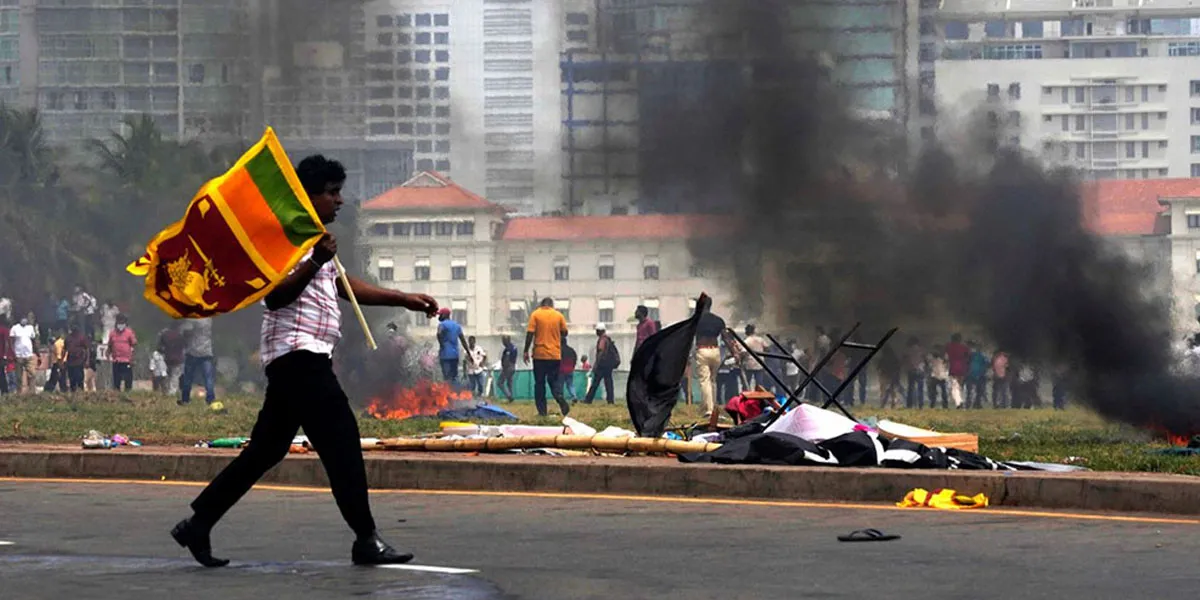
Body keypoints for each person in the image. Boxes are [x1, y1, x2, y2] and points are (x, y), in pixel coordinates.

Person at [172, 154, 439, 568]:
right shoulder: (283, 239)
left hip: (300, 359)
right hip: (299, 357)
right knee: (342, 443)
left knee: (266, 451)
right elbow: (275, 296)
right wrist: (315, 258)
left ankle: (198, 523)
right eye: (332, 193)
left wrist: (403, 299)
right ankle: (366, 539)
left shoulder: (314, 240)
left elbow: (342, 286)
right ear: (308, 197)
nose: (340, 201)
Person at [523, 297, 570, 417]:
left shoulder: (536, 314)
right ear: (551, 305)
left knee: (539, 383)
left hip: (539, 355)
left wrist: (526, 350)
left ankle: (542, 411)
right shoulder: (558, 315)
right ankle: (560, 398)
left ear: (541, 304)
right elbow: (565, 332)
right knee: (553, 381)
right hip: (555, 355)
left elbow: (530, 333)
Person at [694, 309, 726, 421]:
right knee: (713, 380)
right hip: (715, 351)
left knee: (705, 381)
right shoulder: (718, 320)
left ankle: (709, 409)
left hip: (702, 350)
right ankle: (711, 407)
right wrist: (734, 352)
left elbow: (689, 336)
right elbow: (725, 337)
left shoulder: (697, 320)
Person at [179, 318, 216, 405]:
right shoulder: (208, 320)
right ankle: (210, 399)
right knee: (208, 378)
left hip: (192, 352)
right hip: (206, 352)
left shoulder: (191, 320)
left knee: (188, 378)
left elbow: (185, 333)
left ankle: (185, 399)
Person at [435, 308, 468, 388]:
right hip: (455, 355)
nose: (439, 316)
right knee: (454, 376)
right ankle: (455, 392)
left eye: (440, 314)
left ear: (445, 315)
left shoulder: (442, 324)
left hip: (445, 355)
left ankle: (448, 392)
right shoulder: (457, 325)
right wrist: (469, 352)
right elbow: (463, 340)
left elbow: (439, 333)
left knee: (446, 377)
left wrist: (441, 344)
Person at [586, 323, 618, 405]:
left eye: (597, 331)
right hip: (608, 365)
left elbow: (601, 351)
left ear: (600, 331)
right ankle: (610, 400)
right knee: (608, 383)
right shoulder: (608, 339)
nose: (596, 332)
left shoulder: (602, 340)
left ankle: (588, 399)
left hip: (602, 365)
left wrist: (596, 364)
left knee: (595, 383)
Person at [107, 314, 137, 391]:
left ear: (125, 322)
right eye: (119, 322)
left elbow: (134, 345)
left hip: (127, 361)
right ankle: (117, 394)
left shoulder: (129, 333)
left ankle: (128, 393)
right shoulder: (112, 333)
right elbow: (110, 346)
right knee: (116, 380)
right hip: (116, 361)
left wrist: (133, 358)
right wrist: (108, 354)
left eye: (122, 322)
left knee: (128, 379)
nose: (120, 324)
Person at [158, 322, 186, 396]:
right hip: (178, 359)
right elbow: (185, 346)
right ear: (178, 327)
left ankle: (165, 391)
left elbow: (160, 348)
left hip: (167, 358)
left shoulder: (164, 335)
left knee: (167, 375)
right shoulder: (181, 336)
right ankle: (172, 392)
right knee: (175, 376)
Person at [10, 316, 37, 393]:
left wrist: (36, 352)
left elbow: (33, 340)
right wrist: (13, 352)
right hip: (18, 355)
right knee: (19, 376)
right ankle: (19, 393)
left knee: (32, 374)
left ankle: (32, 393)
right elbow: (11, 341)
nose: (24, 320)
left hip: (29, 355)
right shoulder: (15, 328)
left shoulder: (30, 328)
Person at [64, 323, 90, 392]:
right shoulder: (68, 338)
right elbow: (65, 350)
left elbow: (87, 349)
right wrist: (63, 361)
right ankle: (73, 394)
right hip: (70, 362)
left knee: (79, 379)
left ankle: (80, 393)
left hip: (79, 362)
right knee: (72, 380)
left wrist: (87, 360)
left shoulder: (82, 337)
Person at [741, 324, 767, 390]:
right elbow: (767, 348)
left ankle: (746, 394)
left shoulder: (746, 341)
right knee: (759, 383)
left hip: (749, 364)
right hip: (759, 363)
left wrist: (741, 359)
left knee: (747, 383)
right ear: (754, 331)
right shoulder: (760, 340)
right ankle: (759, 395)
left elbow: (744, 352)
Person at [877, 345, 902, 409]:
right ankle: (893, 403)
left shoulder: (882, 359)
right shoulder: (895, 358)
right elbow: (898, 368)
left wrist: (880, 374)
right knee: (892, 391)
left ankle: (883, 404)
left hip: (884, 375)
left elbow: (879, 367)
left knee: (884, 391)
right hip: (892, 376)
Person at [966, 342, 990, 409]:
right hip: (977, 375)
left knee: (973, 391)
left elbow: (967, 363)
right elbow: (987, 365)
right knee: (977, 391)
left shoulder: (973, 355)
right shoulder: (981, 356)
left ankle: (972, 404)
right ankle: (975, 404)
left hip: (974, 375)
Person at [904, 337, 925, 409]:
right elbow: (924, 359)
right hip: (920, 370)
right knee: (920, 389)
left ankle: (909, 405)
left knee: (910, 389)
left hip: (911, 370)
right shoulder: (921, 350)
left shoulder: (908, 350)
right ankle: (920, 405)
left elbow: (906, 359)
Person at [496, 334, 517, 402]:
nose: (503, 342)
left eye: (504, 340)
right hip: (513, 366)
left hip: (508, 367)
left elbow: (507, 359)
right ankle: (511, 396)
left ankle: (509, 396)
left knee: (500, 383)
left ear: (507, 340)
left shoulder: (508, 349)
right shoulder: (514, 347)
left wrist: (504, 367)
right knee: (509, 382)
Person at [559, 337, 578, 402]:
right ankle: (574, 396)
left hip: (561, 370)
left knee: (560, 385)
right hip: (570, 370)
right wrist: (573, 367)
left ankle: (561, 397)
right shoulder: (571, 350)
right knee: (570, 384)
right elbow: (575, 359)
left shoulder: (559, 350)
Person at [0, 316, 10, 395]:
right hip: (1, 355)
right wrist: (5, 355)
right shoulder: (4, 330)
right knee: (1, 374)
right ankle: (4, 391)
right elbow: (7, 343)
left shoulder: (3, 330)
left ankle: (4, 391)